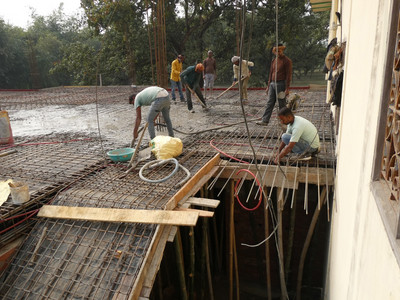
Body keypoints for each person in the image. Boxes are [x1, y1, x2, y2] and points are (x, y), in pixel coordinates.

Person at [257, 44, 293, 126]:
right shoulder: (274, 61)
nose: (278, 53)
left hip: (281, 84)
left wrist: (287, 88)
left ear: (282, 51)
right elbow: (271, 73)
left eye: (279, 51)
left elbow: (288, 75)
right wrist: (268, 86)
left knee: (282, 104)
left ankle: (285, 121)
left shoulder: (287, 61)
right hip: (272, 84)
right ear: (274, 52)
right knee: (270, 102)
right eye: (276, 51)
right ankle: (265, 120)